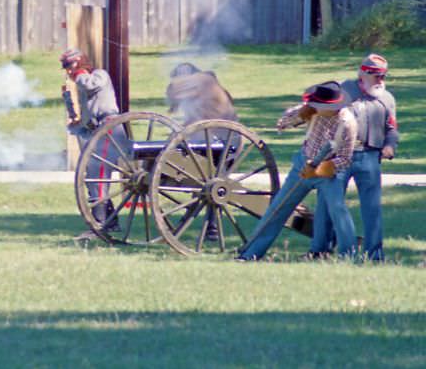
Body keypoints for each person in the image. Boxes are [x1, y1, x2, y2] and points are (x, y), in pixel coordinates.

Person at [237, 81, 358, 261]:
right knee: (277, 209)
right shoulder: (312, 110)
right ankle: (250, 253)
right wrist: (300, 114)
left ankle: (349, 256)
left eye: (318, 105)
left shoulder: (347, 123)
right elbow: (284, 121)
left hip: (328, 173)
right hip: (302, 164)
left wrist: (318, 171)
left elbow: (344, 159)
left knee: (338, 210)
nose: (314, 106)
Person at [322, 53, 398, 261]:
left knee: (372, 209)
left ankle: (375, 255)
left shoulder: (387, 99)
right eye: (376, 76)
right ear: (362, 73)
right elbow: (325, 119)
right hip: (339, 156)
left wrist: (390, 146)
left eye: (383, 76)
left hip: (370, 156)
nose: (381, 80)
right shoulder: (343, 90)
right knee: (333, 204)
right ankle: (325, 250)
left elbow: (392, 128)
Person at [165, 62, 238, 240]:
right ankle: (192, 221)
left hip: (223, 143)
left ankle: (212, 228)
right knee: (202, 182)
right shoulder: (204, 87)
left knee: (212, 184)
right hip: (211, 142)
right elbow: (192, 121)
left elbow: (174, 89)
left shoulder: (204, 80)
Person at [60, 49, 123, 239]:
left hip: (109, 127)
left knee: (98, 172)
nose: (68, 71)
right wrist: (76, 123)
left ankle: (100, 225)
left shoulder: (98, 75)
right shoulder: (81, 85)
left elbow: (91, 85)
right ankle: (109, 221)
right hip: (98, 130)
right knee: (92, 173)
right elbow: (86, 119)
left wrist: (79, 74)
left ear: (79, 63)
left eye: (69, 66)